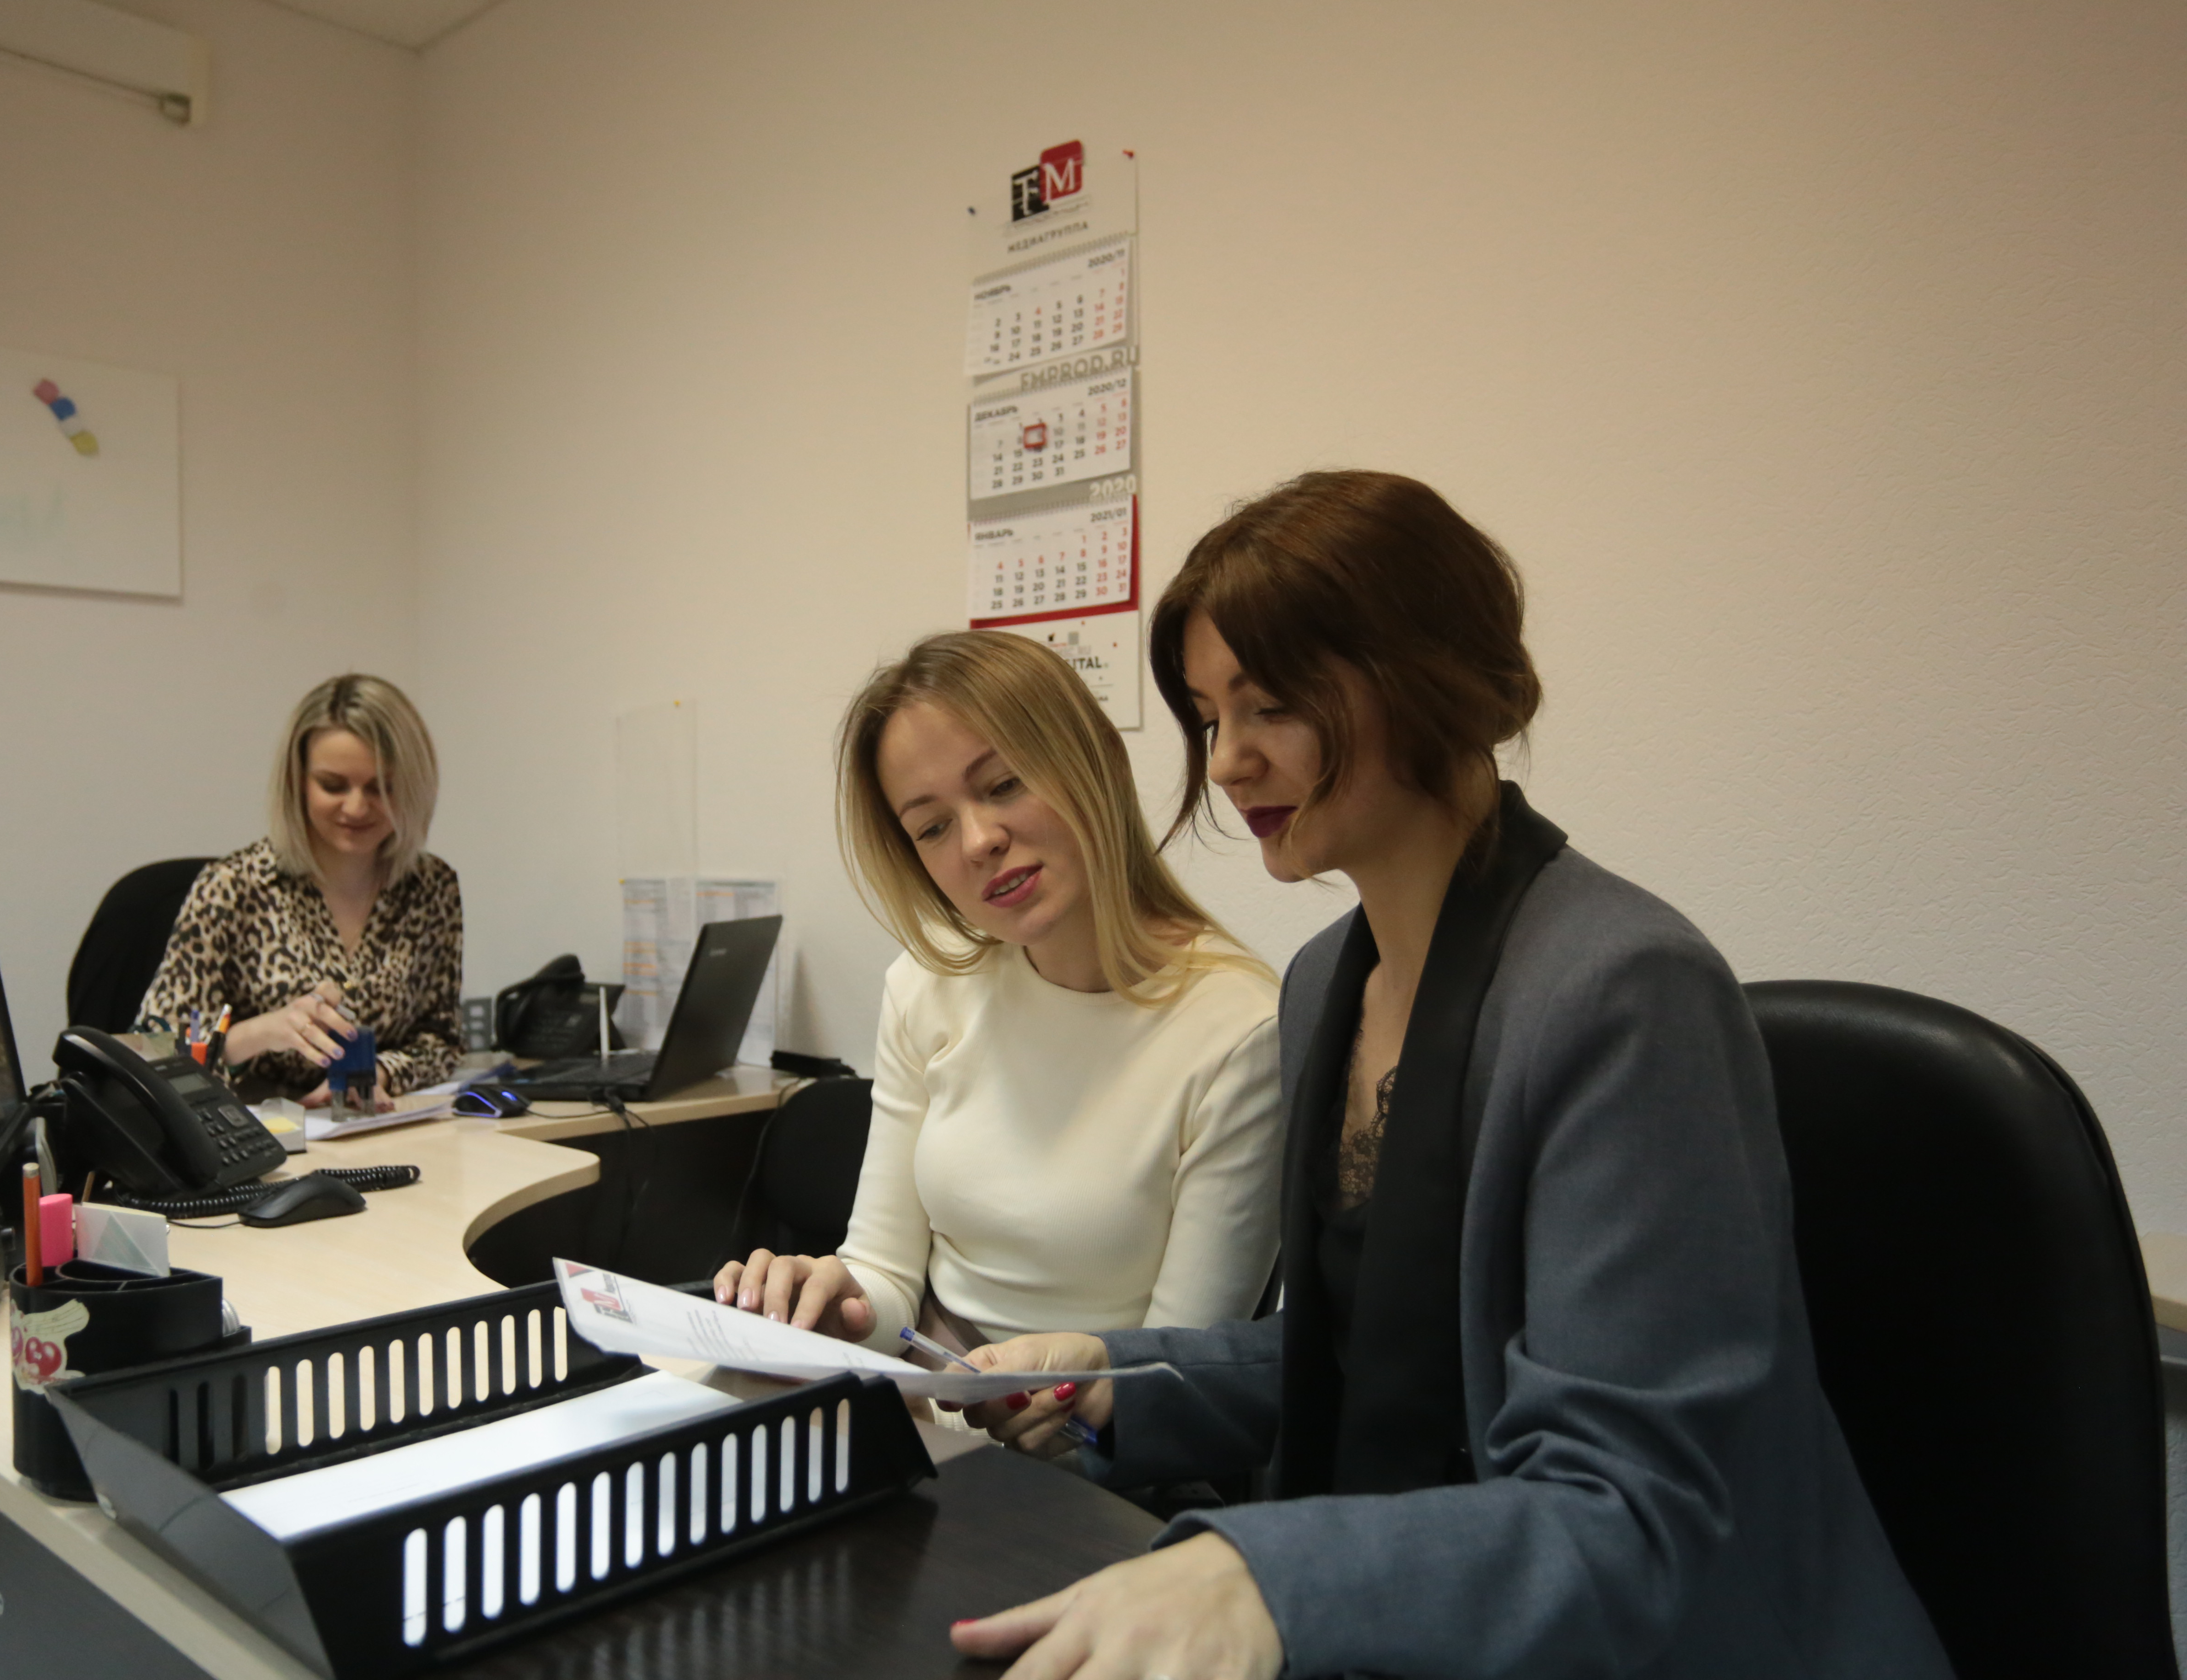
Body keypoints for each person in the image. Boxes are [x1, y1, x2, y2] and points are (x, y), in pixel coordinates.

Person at [949, 473, 1951, 1679]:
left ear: (1427, 678)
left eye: (1271, 707)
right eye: (1211, 718)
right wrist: (1113, 1375)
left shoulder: (1627, 992)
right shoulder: (1324, 981)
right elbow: (1379, 1355)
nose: (1228, 764)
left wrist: (1268, 1575)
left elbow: (1630, 1511)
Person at [715, 631, 1285, 1371]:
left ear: (1095, 760)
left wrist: (1056, 1394)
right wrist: (834, 1304)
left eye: (1005, 784)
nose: (979, 841)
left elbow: (1179, 1376)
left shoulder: (1241, 1030)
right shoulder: (927, 987)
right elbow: (884, 1274)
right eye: (933, 827)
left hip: (1100, 1431)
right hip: (932, 1402)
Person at [143, 674, 463, 1107]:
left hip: (375, 1125)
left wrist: (379, 1072)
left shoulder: (431, 888)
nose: (357, 807)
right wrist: (260, 1033)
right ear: (298, 782)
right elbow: (154, 1051)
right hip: (257, 1130)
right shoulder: (234, 888)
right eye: (333, 786)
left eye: (381, 788)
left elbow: (441, 1039)